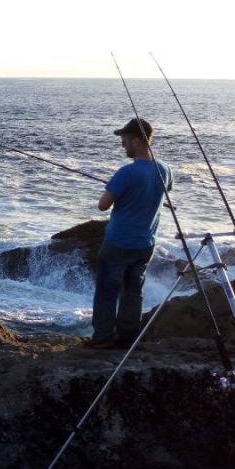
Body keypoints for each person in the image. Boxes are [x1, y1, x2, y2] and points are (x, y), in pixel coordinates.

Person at [89, 117, 173, 348]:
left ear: (137, 140)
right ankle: (127, 338)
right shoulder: (164, 169)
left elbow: (103, 205)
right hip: (146, 242)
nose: (122, 144)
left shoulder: (127, 172)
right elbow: (157, 191)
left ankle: (103, 339)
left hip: (119, 242)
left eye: (125, 139)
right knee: (133, 291)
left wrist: (116, 187)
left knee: (107, 290)